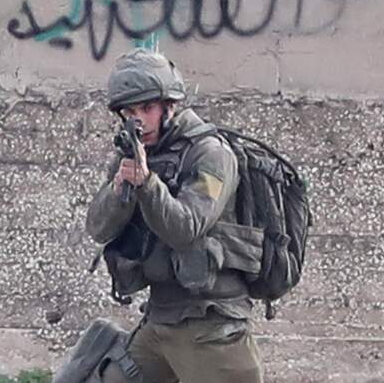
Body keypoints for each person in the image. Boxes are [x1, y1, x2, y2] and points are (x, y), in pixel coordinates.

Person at [85, 48, 263, 383]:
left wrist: (147, 183)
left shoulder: (210, 155)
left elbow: (186, 229)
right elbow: (97, 226)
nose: (139, 119)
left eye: (148, 108)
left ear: (170, 105)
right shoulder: (133, 154)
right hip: (161, 320)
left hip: (210, 323)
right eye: (130, 111)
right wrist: (121, 187)